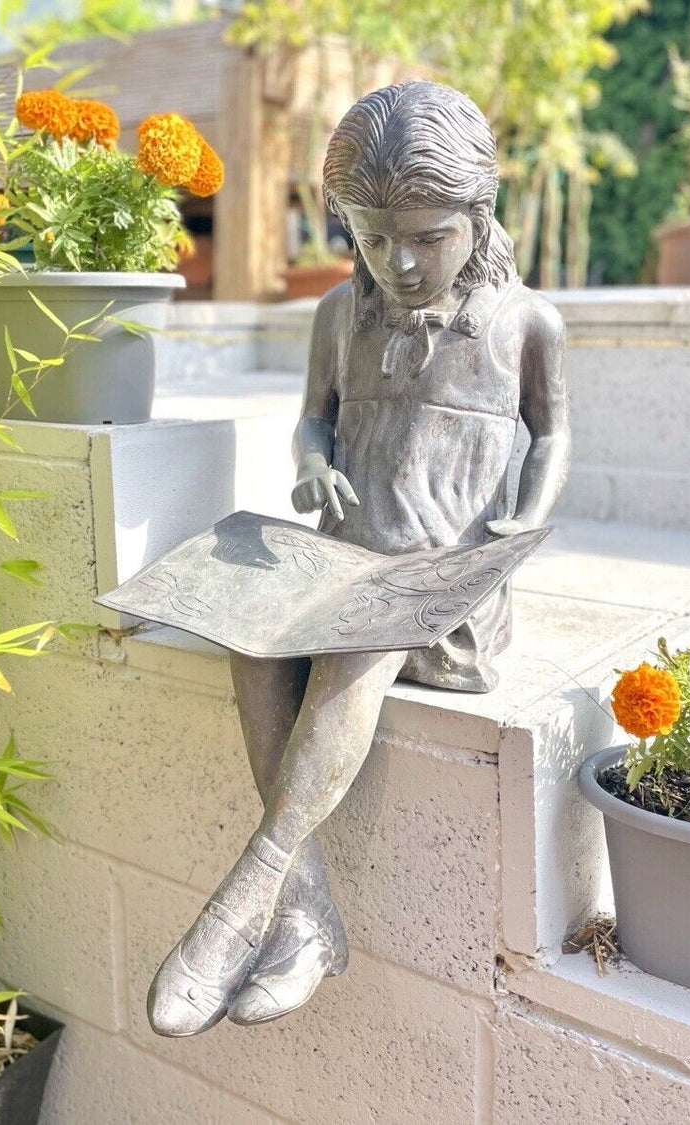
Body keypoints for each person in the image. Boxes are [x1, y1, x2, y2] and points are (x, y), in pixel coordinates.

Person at [148, 80, 571, 1037]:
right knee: (252, 637)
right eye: (373, 237)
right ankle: (305, 913)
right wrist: (311, 463)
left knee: (354, 645)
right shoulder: (343, 314)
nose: (399, 261)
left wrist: (528, 519)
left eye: (426, 235)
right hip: (348, 557)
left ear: (479, 214)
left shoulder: (526, 324)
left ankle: (243, 900)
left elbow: (553, 435)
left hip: (445, 586)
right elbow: (314, 416)